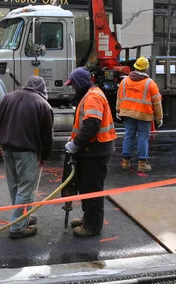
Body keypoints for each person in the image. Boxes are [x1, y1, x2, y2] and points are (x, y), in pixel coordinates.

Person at [0, 76, 54, 240]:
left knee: (15, 185)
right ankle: (18, 227)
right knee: (25, 188)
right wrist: (44, 155)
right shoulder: (43, 105)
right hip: (26, 151)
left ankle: (23, 216)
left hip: (7, 149)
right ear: (42, 89)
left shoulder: (9, 97)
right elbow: (47, 136)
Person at [64, 67, 116, 238]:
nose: (72, 88)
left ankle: (92, 226)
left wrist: (76, 144)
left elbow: (92, 124)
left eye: (73, 85)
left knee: (93, 189)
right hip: (92, 150)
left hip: (96, 150)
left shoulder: (92, 96)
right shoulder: (89, 94)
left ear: (79, 83)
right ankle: (88, 218)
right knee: (87, 187)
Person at [116, 57, 163, 172]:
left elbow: (119, 97)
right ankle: (142, 163)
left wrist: (118, 110)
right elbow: (157, 102)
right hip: (144, 115)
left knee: (129, 136)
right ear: (146, 68)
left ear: (135, 66)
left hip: (128, 114)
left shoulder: (125, 81)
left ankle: (125, 162)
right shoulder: (150, 83)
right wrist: (159, 118)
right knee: (143, 137)